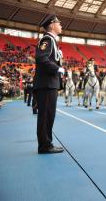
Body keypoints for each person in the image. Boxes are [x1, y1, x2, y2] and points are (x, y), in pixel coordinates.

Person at [33, 14, 64, 154]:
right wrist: (58, 68)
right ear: (51, 25)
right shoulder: (47, 39)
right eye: (59, 23)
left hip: (49, 84)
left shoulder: (52, 40)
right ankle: (45, 145)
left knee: (49, 115)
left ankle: (47, 143)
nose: (61, 25)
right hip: (46, 84)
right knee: (46, 115)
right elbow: (41, 59)